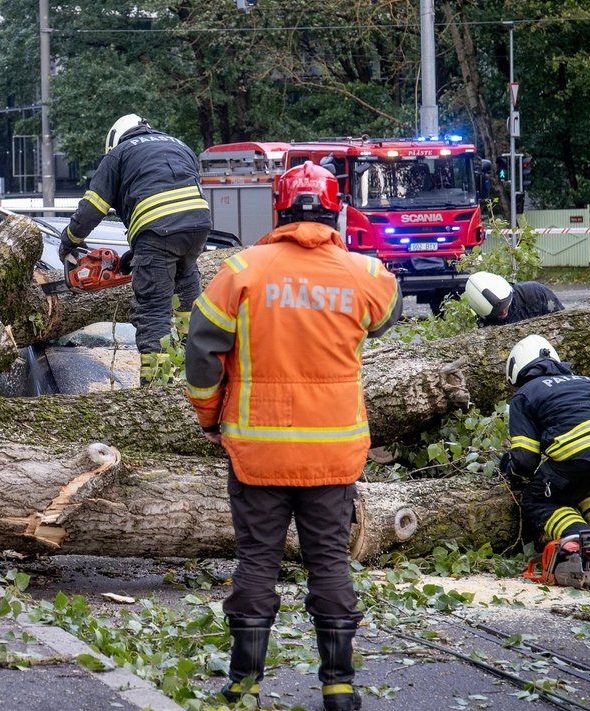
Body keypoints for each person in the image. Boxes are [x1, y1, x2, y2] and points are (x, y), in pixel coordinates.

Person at [185, 161, 401, 710]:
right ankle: (339, 687)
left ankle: (244, 685)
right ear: (336, 210)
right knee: (329, 560)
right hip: (334, 450)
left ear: (279, 209)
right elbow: (388, 314)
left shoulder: (241, 271)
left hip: (258, 449)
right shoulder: (364, 274)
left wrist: (210, 419)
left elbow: (202, 353)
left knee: (257, 560)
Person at [59, 114, 212, 385]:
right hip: (198, 225)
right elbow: (171, 190)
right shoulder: (179, 144)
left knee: (153, 310)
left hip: (158, 231)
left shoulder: (118, 155)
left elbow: (93, 207)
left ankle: (155, 388)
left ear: (115, 137)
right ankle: (197, 373)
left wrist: (70, 240)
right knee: (187, 292)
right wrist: (141, 251)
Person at [502, 335, 590, 566]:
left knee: (539, 500)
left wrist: (511, 472)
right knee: (589, 487)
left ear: (517, 370)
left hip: (584, 457)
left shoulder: (526, 393)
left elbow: (525, 459)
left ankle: (586, 546)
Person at [465, 271, 564, 326]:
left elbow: (561, 319)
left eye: (505, 307)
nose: (503, 313)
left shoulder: (536, 293)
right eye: (498, 313)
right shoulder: (485, 321)